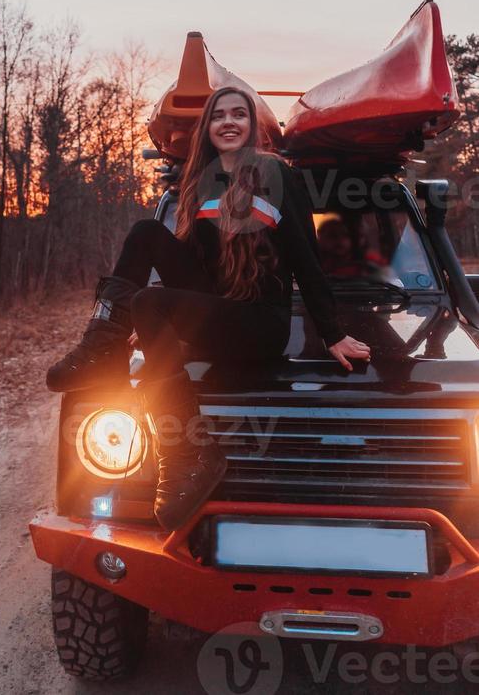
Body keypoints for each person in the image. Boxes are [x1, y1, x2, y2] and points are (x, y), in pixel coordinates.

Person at [46, 87, 371, 531]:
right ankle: (101, 349)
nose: (230, 122)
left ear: (252, 127)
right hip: (221, 310)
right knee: (145, 232)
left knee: (149, 300)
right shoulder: (204, 180)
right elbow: (198, 267)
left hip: (259, 322)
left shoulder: (276, 174)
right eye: (220, 116)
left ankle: (189, 454)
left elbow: (305, 256)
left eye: (240, 114)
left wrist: (331, 332)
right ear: (209, 128)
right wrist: (159, 320)